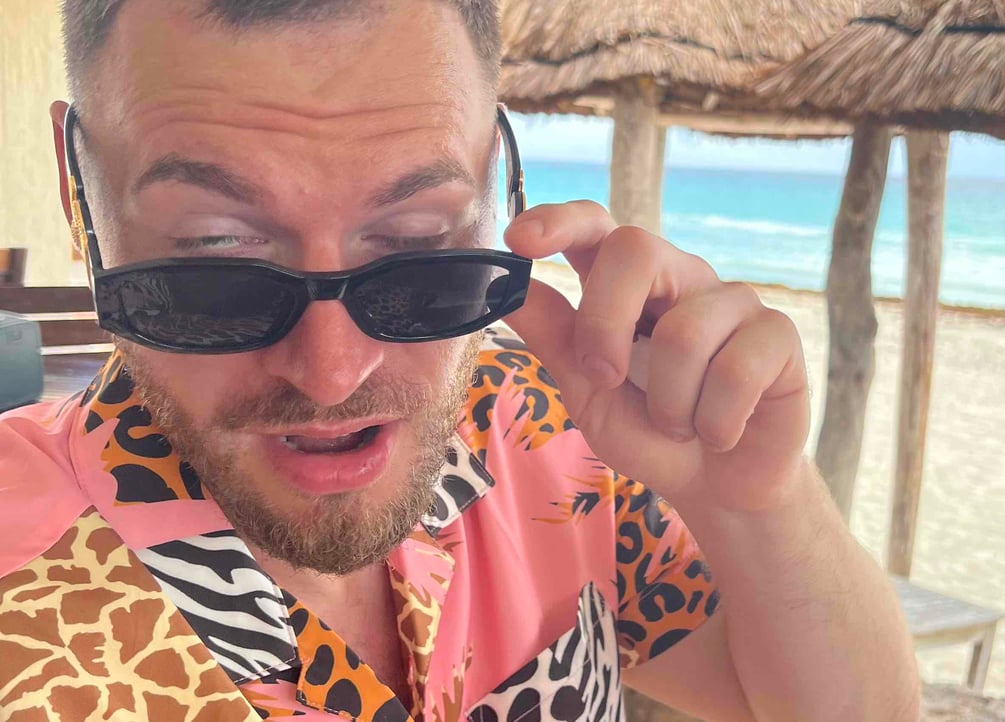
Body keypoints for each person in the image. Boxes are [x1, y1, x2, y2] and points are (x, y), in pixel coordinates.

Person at [0, 2, 918, 720]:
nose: (332, 374)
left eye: (416, 245)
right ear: (80, 192)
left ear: (497, 185)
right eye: (214, 253)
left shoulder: (551, 427)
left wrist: (755, 503)